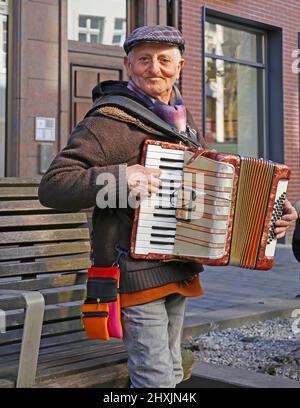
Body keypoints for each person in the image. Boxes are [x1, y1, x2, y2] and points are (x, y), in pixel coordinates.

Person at [38, 25, 297, 388]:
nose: (153, 68)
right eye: (143, 59)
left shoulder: (181, 119)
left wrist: (273, 212)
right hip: (133, 267)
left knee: (173, 372)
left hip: (178, 266)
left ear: (180, 66)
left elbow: (209, 190)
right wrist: (122, 178)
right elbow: (53, 187)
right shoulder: (108, 119)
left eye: (164, 60)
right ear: (129, 66)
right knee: (155, 380)